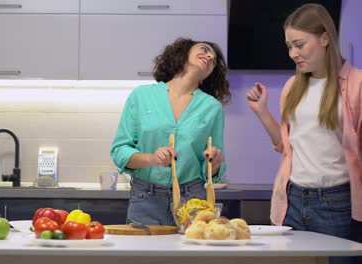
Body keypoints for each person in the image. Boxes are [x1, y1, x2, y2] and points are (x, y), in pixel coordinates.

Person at [246, 3, 361, 263]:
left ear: (324, 39)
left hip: (337, 203)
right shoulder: (292, 87)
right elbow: (286, 148)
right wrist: (262, 112)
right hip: (292, 200)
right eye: (289, 46)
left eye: (299, 44)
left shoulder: (357, 84)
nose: (292, 54)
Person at [110, 38, 231, 226]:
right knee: (145, 255)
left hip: (193, 200)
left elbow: (214, 169)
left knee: (190, 255)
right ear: (182, 54)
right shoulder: (141, 96)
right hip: (146, 198)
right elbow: (120, 150)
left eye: (214, 60)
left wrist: (214, 162)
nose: (209, 57)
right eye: (204, 50)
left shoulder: (212, 107)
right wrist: (151, 158)